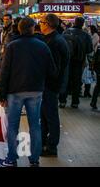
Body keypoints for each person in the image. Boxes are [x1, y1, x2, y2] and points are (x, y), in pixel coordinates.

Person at [0, 17, 57, 167]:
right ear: (33, 28)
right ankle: (34, 160)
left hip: (15, 91)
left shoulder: (12, 46)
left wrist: (2, 94)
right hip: (36, 91)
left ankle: (11, 159)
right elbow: (52, 71)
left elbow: (4, 72)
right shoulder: (43, 46)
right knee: (35, 125)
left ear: (19, 28)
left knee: (13, 125)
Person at [38, 14, 70, 157]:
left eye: (42, 21)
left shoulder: (55, 42)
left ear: (48, 24)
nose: (40, 24)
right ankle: (43, 142)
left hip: (50, 85)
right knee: (44, 115)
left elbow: (54, 69)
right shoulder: (52, 39)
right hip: (49, 84)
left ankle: (52, 147)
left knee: (51, 117)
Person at [60, 17, 93, 108]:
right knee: (77, 82)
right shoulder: (85, 35)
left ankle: (62, 101)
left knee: (65, 80)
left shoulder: (65, 32)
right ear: (82, 24)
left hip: (66, 61)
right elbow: (89, 50)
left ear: (74, 22)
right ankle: (75, 102)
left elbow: (61, 46)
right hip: (79, 62)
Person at [84, 25, 99, 97]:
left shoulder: (95, 36)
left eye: (90, 29)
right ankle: (87, 91)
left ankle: (87, 91)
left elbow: (92, 45)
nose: (89, 30)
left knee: (89, 74)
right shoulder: (92, 35)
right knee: (88, 74)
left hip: (92, 56)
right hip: (90, 56)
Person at [91, 45, 100, 110]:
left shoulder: (99, 47)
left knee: (98, 86)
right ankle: (93, 102)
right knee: (98, 86)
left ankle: (93, 102)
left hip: (98, 70)